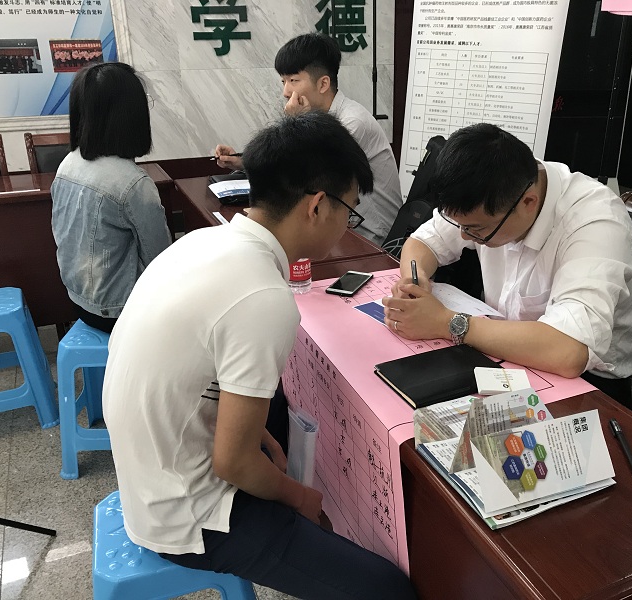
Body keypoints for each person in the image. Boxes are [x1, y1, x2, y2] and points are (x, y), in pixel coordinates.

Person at [103, 112, 417, 600]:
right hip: (186, 515)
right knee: (387, 589)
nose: (346, 225)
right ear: (317, 206)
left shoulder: (206, 240)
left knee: (276, 417)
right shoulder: (264, 297)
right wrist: (301, 497)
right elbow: (233, 463)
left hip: (150, 471)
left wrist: (258, 442)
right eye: (350, 211)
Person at [383, 123, 632, 403]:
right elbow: (423, 242)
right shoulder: (493, 187)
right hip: (499, 349)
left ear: (528, 203)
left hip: (590, 382)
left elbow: (569, 351)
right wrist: (415, 279)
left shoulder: (596, 222)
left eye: (476, 230)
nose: (464, 236)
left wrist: (446, 323)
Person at [215, 32, 403, 246]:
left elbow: (304, 177)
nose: (286, 92)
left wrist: (296, 122)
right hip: (338, 224)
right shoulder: (320, 118)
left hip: (372, 236)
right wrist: (241, 162)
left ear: (323, 84)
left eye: (293, 80)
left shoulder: (351, 122)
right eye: (283, 81)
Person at [51, 62, 171, 333]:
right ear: (131, 116)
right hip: (117, 311)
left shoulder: (68, 163)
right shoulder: (133, 183)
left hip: (77, 299)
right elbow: (160, 260)